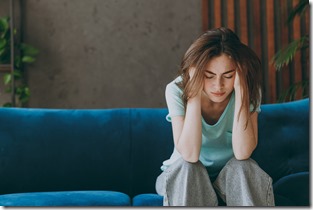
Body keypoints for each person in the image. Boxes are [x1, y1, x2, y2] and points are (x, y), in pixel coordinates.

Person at [155, 27, 275, 206]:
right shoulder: (176, 89)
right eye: (208, 76)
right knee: (189, 167)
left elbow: (243, 153)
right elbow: (189, 154)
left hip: (229, 178)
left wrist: (242, 89)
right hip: (183, 175)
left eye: (228, 76)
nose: (218, 86)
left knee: (244, 167)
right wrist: (193, 90)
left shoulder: (248, 90)